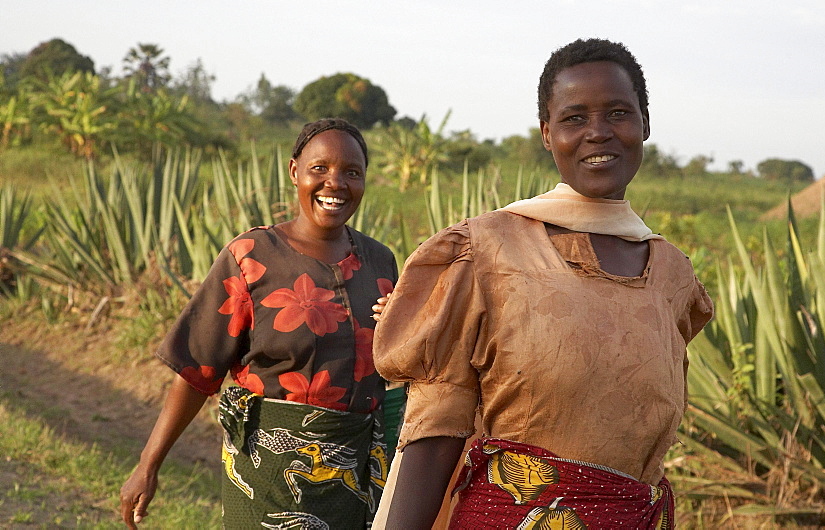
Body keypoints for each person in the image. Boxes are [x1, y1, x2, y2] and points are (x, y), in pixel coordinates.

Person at [371, 38, 714, 529]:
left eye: (618, 113)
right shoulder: (488, 250)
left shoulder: (671, 275)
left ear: (645, 125)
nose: (598, 133)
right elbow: (436, 425)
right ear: (547, 134)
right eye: (575, 118)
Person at [119, 118, 399, 529]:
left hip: (358, 474)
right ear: (294, 172)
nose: (335, 183)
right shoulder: (251, 257)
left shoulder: (380, 263)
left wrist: (405, 326)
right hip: (269, 474)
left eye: (351, 172)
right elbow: (198, 370)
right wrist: (148, 465)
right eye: (319, 168)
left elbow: (399, 368)